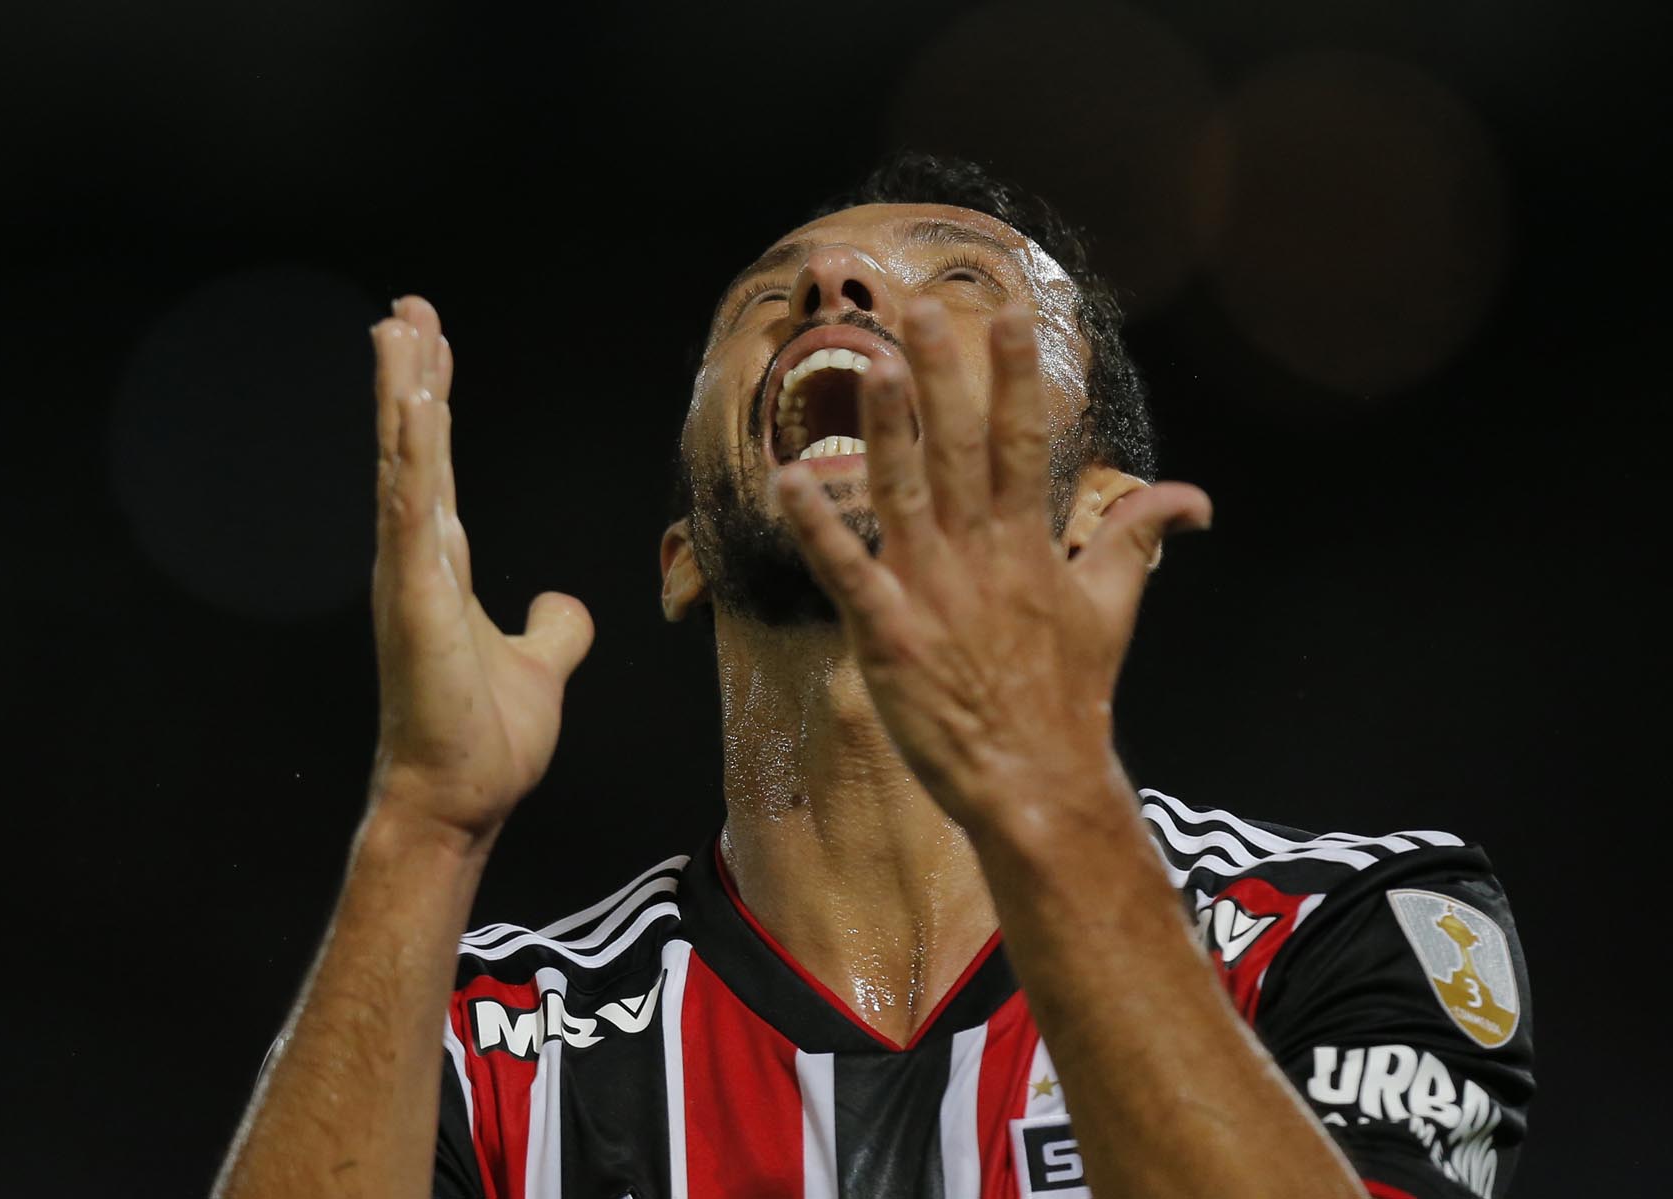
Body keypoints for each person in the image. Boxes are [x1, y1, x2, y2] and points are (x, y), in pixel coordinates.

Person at [211, 154, 1534, 1199]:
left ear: (1095, 516)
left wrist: (1048, 802)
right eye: (764, 300)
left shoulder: (1329, 930)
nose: (834, 282)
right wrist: (424, 825)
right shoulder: (476, 1041)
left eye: (959, 280)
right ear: (682, 559)